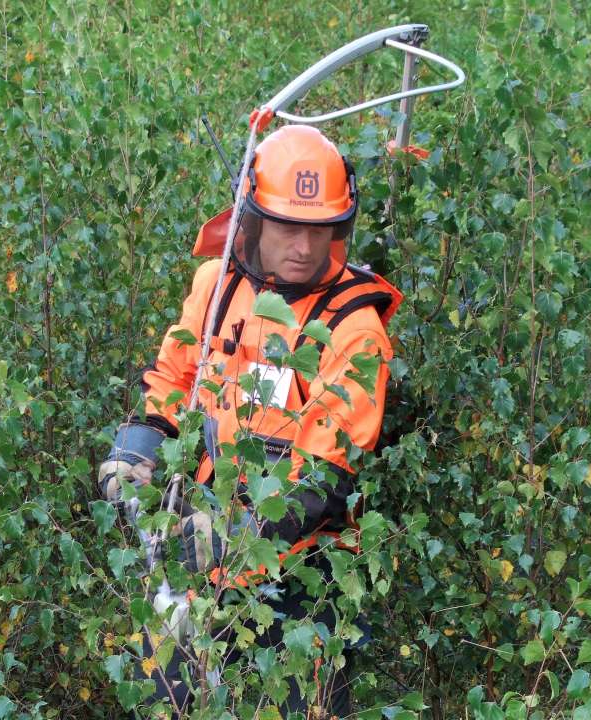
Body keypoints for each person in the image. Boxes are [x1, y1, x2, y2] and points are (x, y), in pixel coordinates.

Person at [98, 124, 402, 717]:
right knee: (170, 702)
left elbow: (325, 474)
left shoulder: (356, 331)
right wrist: (135, 454)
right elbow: (173, 379)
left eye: (319, 230)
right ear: (254, 219)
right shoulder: (216, 287)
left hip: (303, 578)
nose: (304, 246)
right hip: (194, 552)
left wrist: (235, 540)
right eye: (288, 226)